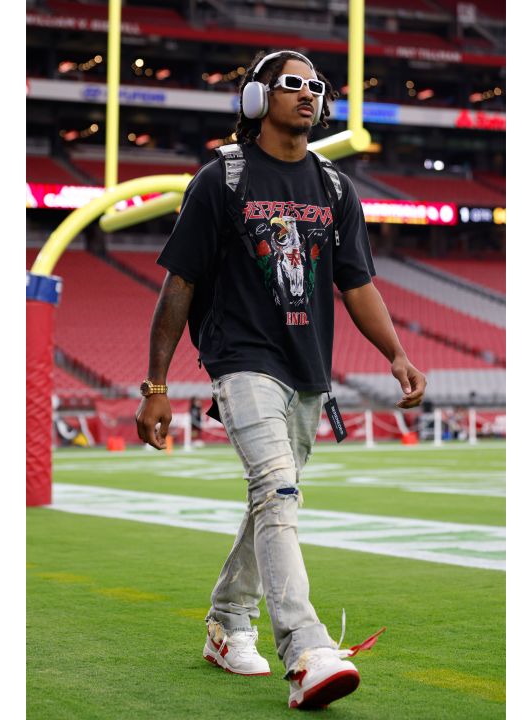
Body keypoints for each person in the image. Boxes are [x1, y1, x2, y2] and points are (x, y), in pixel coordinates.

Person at [135, 49, 426, 710]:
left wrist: (396, 352)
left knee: (274, 499)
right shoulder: (222, 179)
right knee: (275, 488)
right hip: (240, 360)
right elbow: (179, 285)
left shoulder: (334, 186)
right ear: (255, 100)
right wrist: (156, 387)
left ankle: (226, 621)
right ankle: (306, 647)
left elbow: (357, 283)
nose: (307, 93)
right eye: (291, 83)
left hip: (306, 371)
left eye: (316, 86)